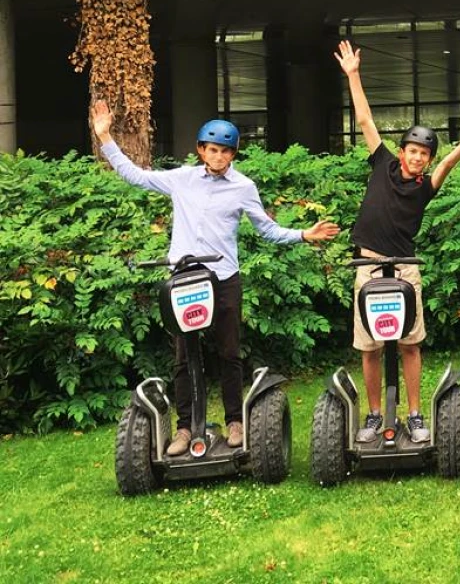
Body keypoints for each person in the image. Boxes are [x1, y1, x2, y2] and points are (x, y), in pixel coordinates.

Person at [91, 101, 339, 455]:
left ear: (233, 154)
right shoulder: (182, 179)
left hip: (223, 278)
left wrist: (303, 234)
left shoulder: (243, 187)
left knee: (228, 352)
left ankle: (235, 421)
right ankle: (184, 428)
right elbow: (137, 177)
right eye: (213, 150)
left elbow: (266, 230)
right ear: (201, 151)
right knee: (183, 355)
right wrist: (105, 137)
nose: (219, 156)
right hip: (185, 278)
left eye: (225, 151)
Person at [335, 40, 460, 444]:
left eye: (424, 155)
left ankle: (414, 415)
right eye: (412, 151)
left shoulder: (427, 186)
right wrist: (354, 75)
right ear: (401, 152)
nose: (418, 158)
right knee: (371, 345)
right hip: (368, 265)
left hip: (405, 266)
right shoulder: (381, 164)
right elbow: (363, 120)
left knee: (410, 343)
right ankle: (375, 415)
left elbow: (451, 161)